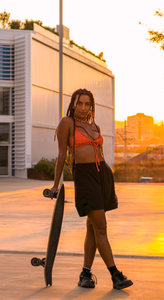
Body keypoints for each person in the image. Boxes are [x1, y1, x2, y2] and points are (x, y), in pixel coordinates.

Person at [49, 88, 133, 290]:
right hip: (84, 176)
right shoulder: (67, 123)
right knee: (101, 227)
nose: (84, 108)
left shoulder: (94, 125)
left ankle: (85, 274)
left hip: (102, 175)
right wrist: (55, 185)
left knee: (92, 227)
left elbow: (100, 153)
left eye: (87, 104)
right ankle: (115, 274)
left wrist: (106, 177)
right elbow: (62, 154)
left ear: (91, 107)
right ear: (73, 104)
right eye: (80, 103)